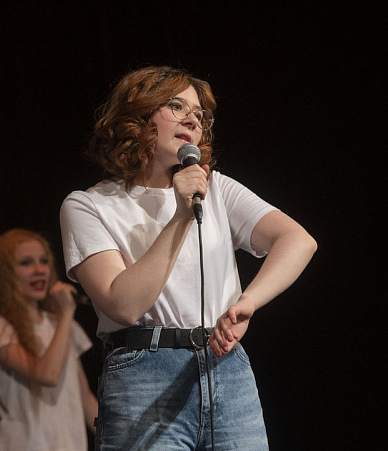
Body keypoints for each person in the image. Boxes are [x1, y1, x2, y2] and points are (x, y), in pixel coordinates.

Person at [59, 66, 317, 450]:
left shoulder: (217, 189)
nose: (193, 120)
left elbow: (298, 240)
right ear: (138, 115)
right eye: (177, 106)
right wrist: (181, 216)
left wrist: (248, 302)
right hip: (144, 376)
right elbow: (123, 304)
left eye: (199, 114)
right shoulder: (89, 205)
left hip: (226, 367)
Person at [0, 229, 97, 451]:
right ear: (5, 274)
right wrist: (66, 313)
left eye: (44, 261)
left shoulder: (63, 325)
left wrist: (114, 435)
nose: (39, 270)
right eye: (26, 263)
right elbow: (46, 374)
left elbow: (85, 398)